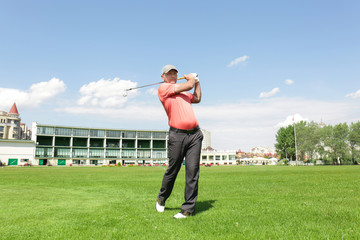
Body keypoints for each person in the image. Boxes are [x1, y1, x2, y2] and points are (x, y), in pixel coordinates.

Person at [155, 64, 203, 219]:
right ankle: (162, 198)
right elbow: (188, 85)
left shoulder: (183, 92)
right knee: (173, 169)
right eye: (169, 74)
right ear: (163, 77)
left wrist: (197, 83)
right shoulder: (163, 89)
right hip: (177, 135)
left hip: (195, 135)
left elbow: (197, 98)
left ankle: (188, 209)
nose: (173, 76)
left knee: (192, 171)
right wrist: (192, 80)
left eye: (175, 73)